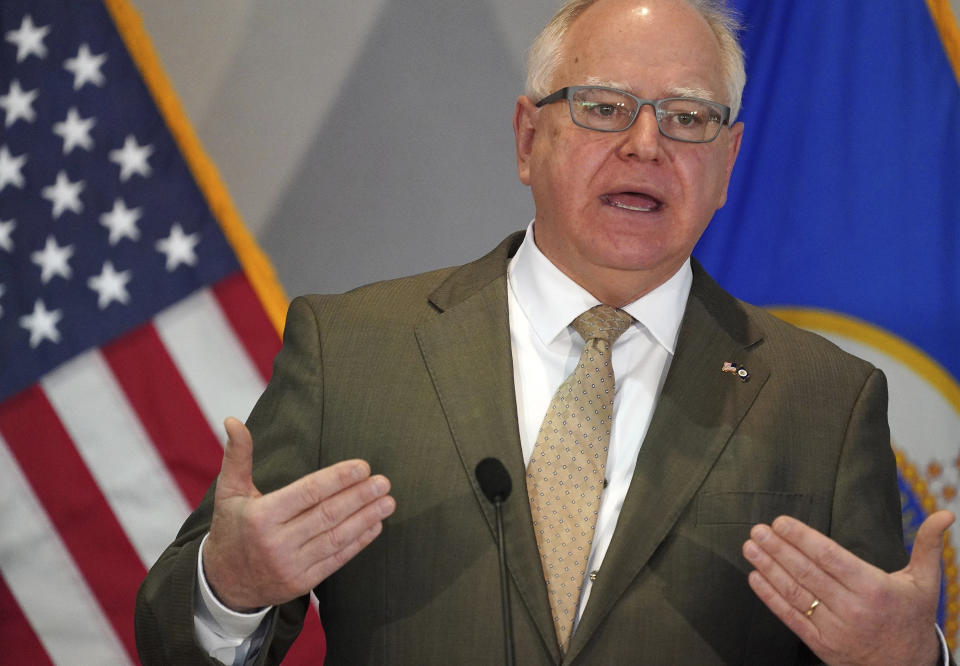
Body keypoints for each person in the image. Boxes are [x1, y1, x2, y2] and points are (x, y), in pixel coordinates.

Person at [135, 0, 954, 663]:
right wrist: (229, 589)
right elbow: (171, 642)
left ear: (728, 163)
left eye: (688, 119)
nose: (646, 145)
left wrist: (914, 661)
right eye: (604, 108)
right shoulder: (355, 350)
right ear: (528, 138)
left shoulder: (824, 399)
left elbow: (876, 634)